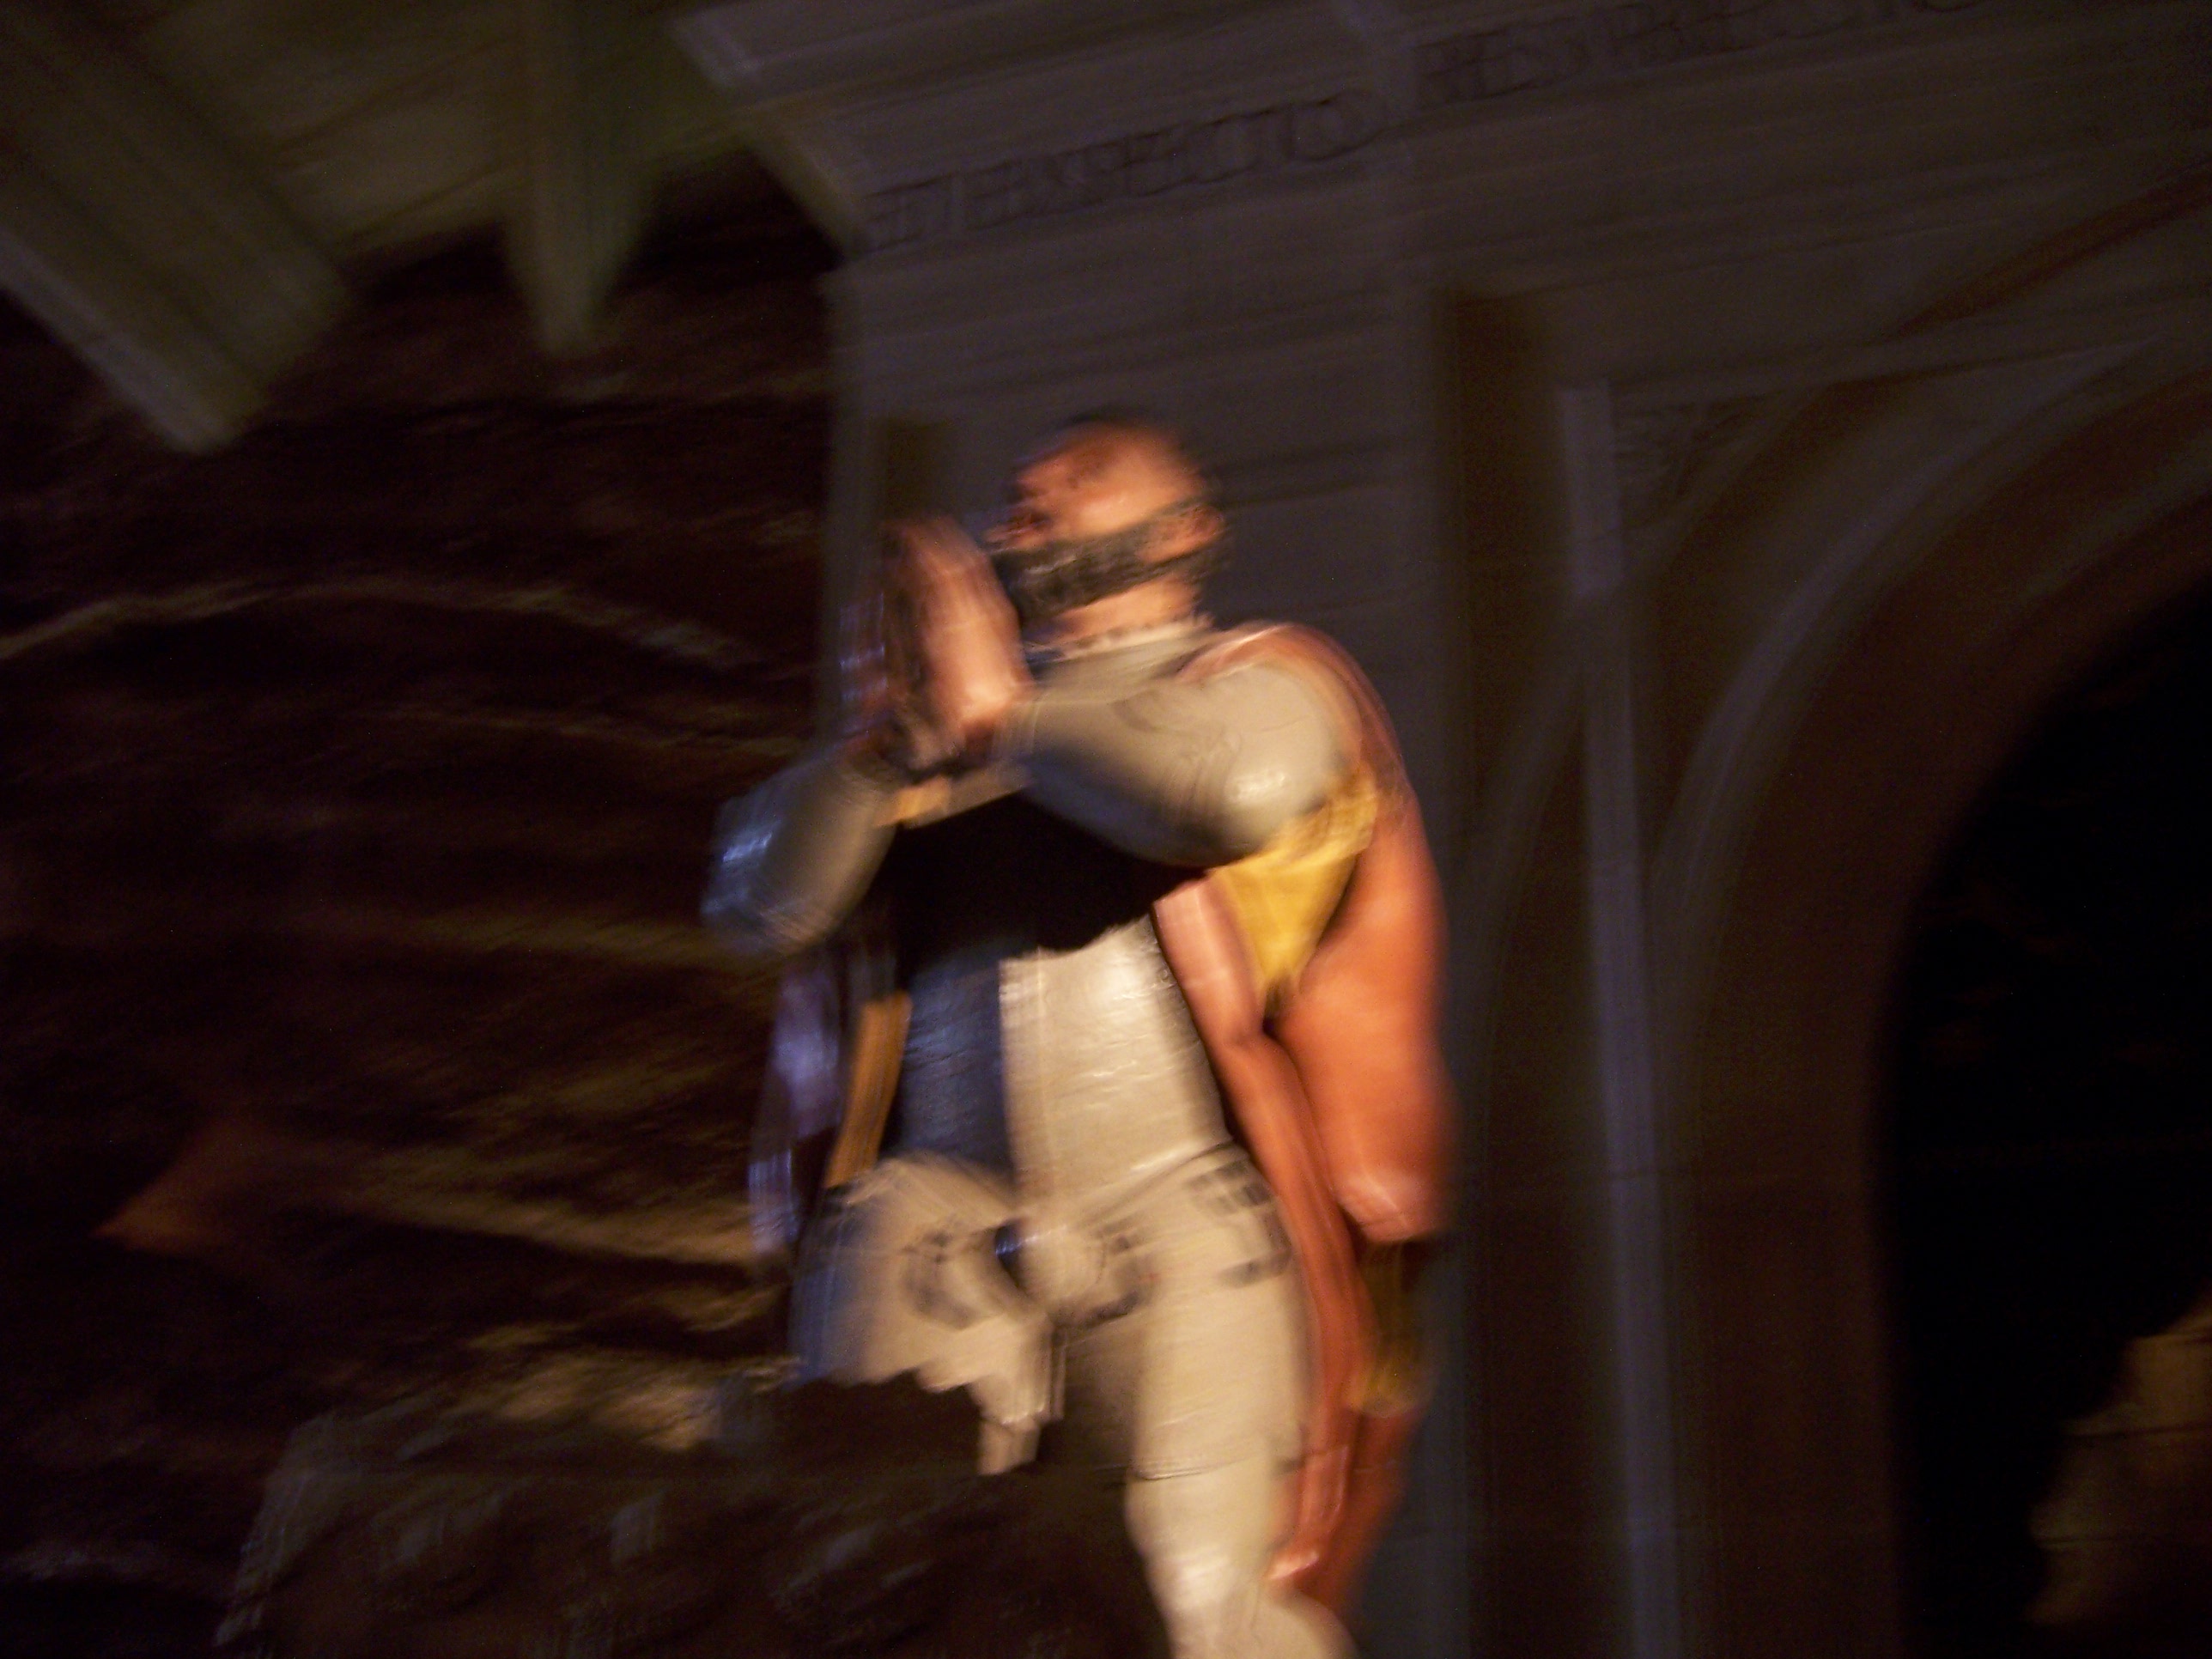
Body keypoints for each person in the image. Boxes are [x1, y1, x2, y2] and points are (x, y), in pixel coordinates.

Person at [704, 415, 1450, 1658]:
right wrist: (881, 753)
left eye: (1085, 472)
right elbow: (751, 902)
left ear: (1186, 529)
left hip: (1174, 1211)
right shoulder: (922, 739)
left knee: (1184, 1604)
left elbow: (1219, 796)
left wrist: (1002, 717)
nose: (1034, 490)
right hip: (928, 1215)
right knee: (871, 1590)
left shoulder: (1261, 680)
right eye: (1020, 487)